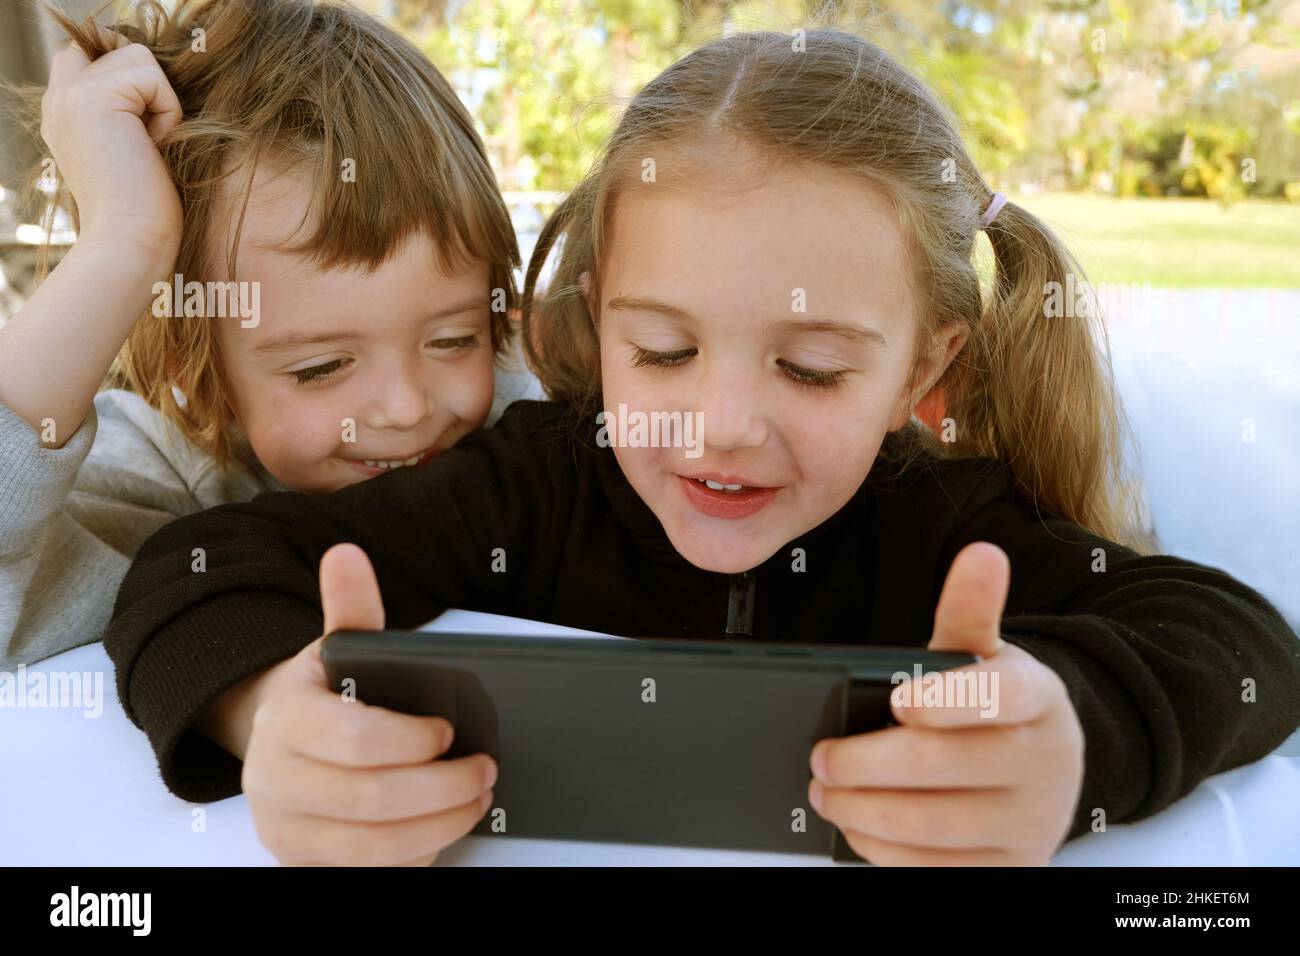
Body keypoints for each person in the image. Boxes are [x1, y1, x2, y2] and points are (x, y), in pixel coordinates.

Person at [105, 29, 1300, 866]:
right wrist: (268, 714)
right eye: (664, 352)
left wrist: (1069, 729)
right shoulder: (532, 486)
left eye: (810, 367)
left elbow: (1240, 643)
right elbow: (197, 567)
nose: (718, 423)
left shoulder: (940, 527)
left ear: (921, 369)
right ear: (590, 322)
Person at [0, 0, 539, 668]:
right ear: (183, 355)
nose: (406, 408)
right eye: (321, 367)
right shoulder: (157, 484)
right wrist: (124, 241)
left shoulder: (532, 428)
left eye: (456, 339)